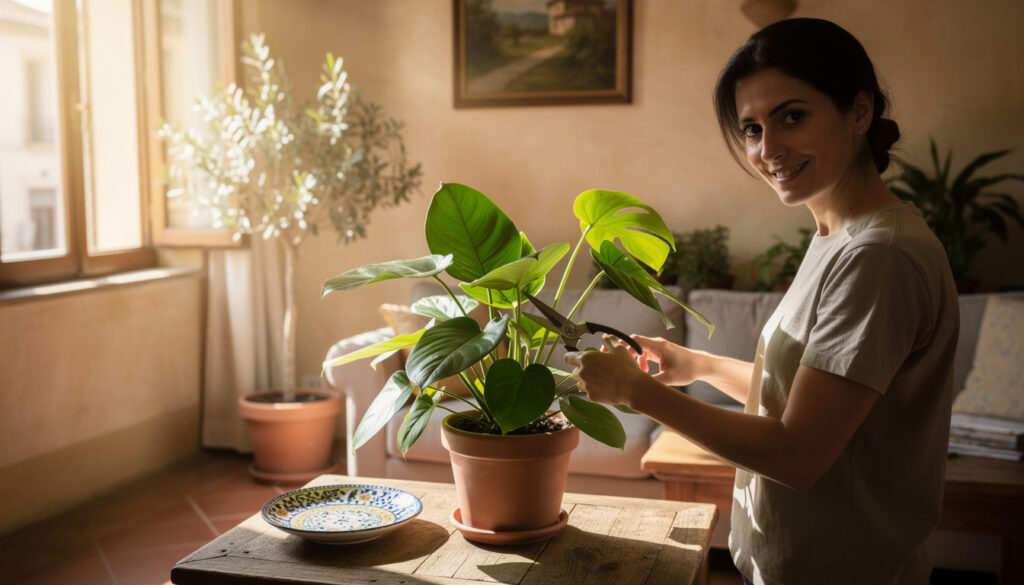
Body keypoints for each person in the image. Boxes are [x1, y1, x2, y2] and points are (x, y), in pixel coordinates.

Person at [564, 18, 959, 585]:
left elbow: (798, 453)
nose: (768, 148)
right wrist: (693, 365)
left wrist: (637, 391)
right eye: (751, 128)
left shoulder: (879, 255)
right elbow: (800, 397)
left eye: (792, 116)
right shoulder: (834, 239)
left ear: (859, 112)